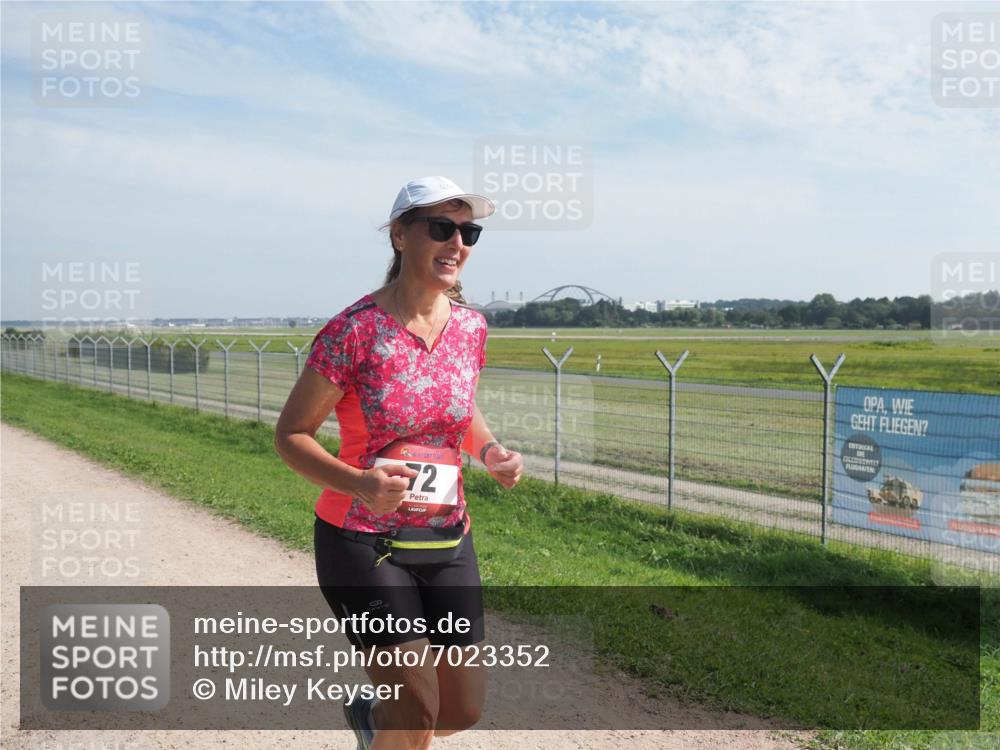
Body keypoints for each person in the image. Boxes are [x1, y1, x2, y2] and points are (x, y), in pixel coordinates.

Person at [275, 176, 524, 750]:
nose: (457, 242)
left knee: (461, 709)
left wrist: (490, 452)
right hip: (361, 539)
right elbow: (292, 435)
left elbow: (457, 410)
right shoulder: (353, 332)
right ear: (399, 236)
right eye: (441, 227)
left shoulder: (470, 328)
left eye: (468, 231)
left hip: (445, 538)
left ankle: (370, 718)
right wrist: (359, 483)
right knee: (416, 711)